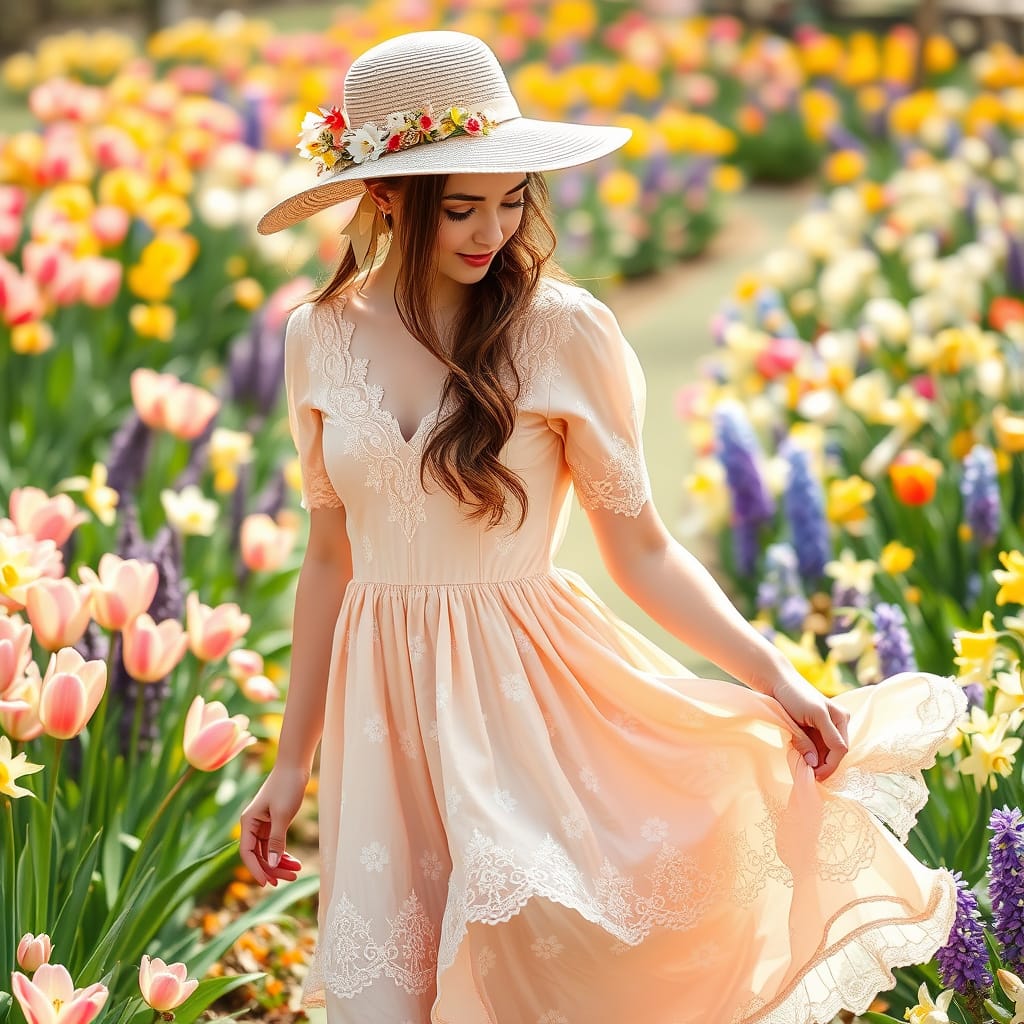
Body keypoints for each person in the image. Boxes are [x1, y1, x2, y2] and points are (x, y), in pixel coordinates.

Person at [238, 29, 965, 1024]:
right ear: (385, 198)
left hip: (524, 698)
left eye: (509, 198)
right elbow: (328, 558)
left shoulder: (560, 328)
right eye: (460, 205)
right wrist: (293, 763)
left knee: (535, 975)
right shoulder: (313, 336)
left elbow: (645, 548)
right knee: (389, 993)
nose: (490, 228)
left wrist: (776, 677)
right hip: (382, 712)